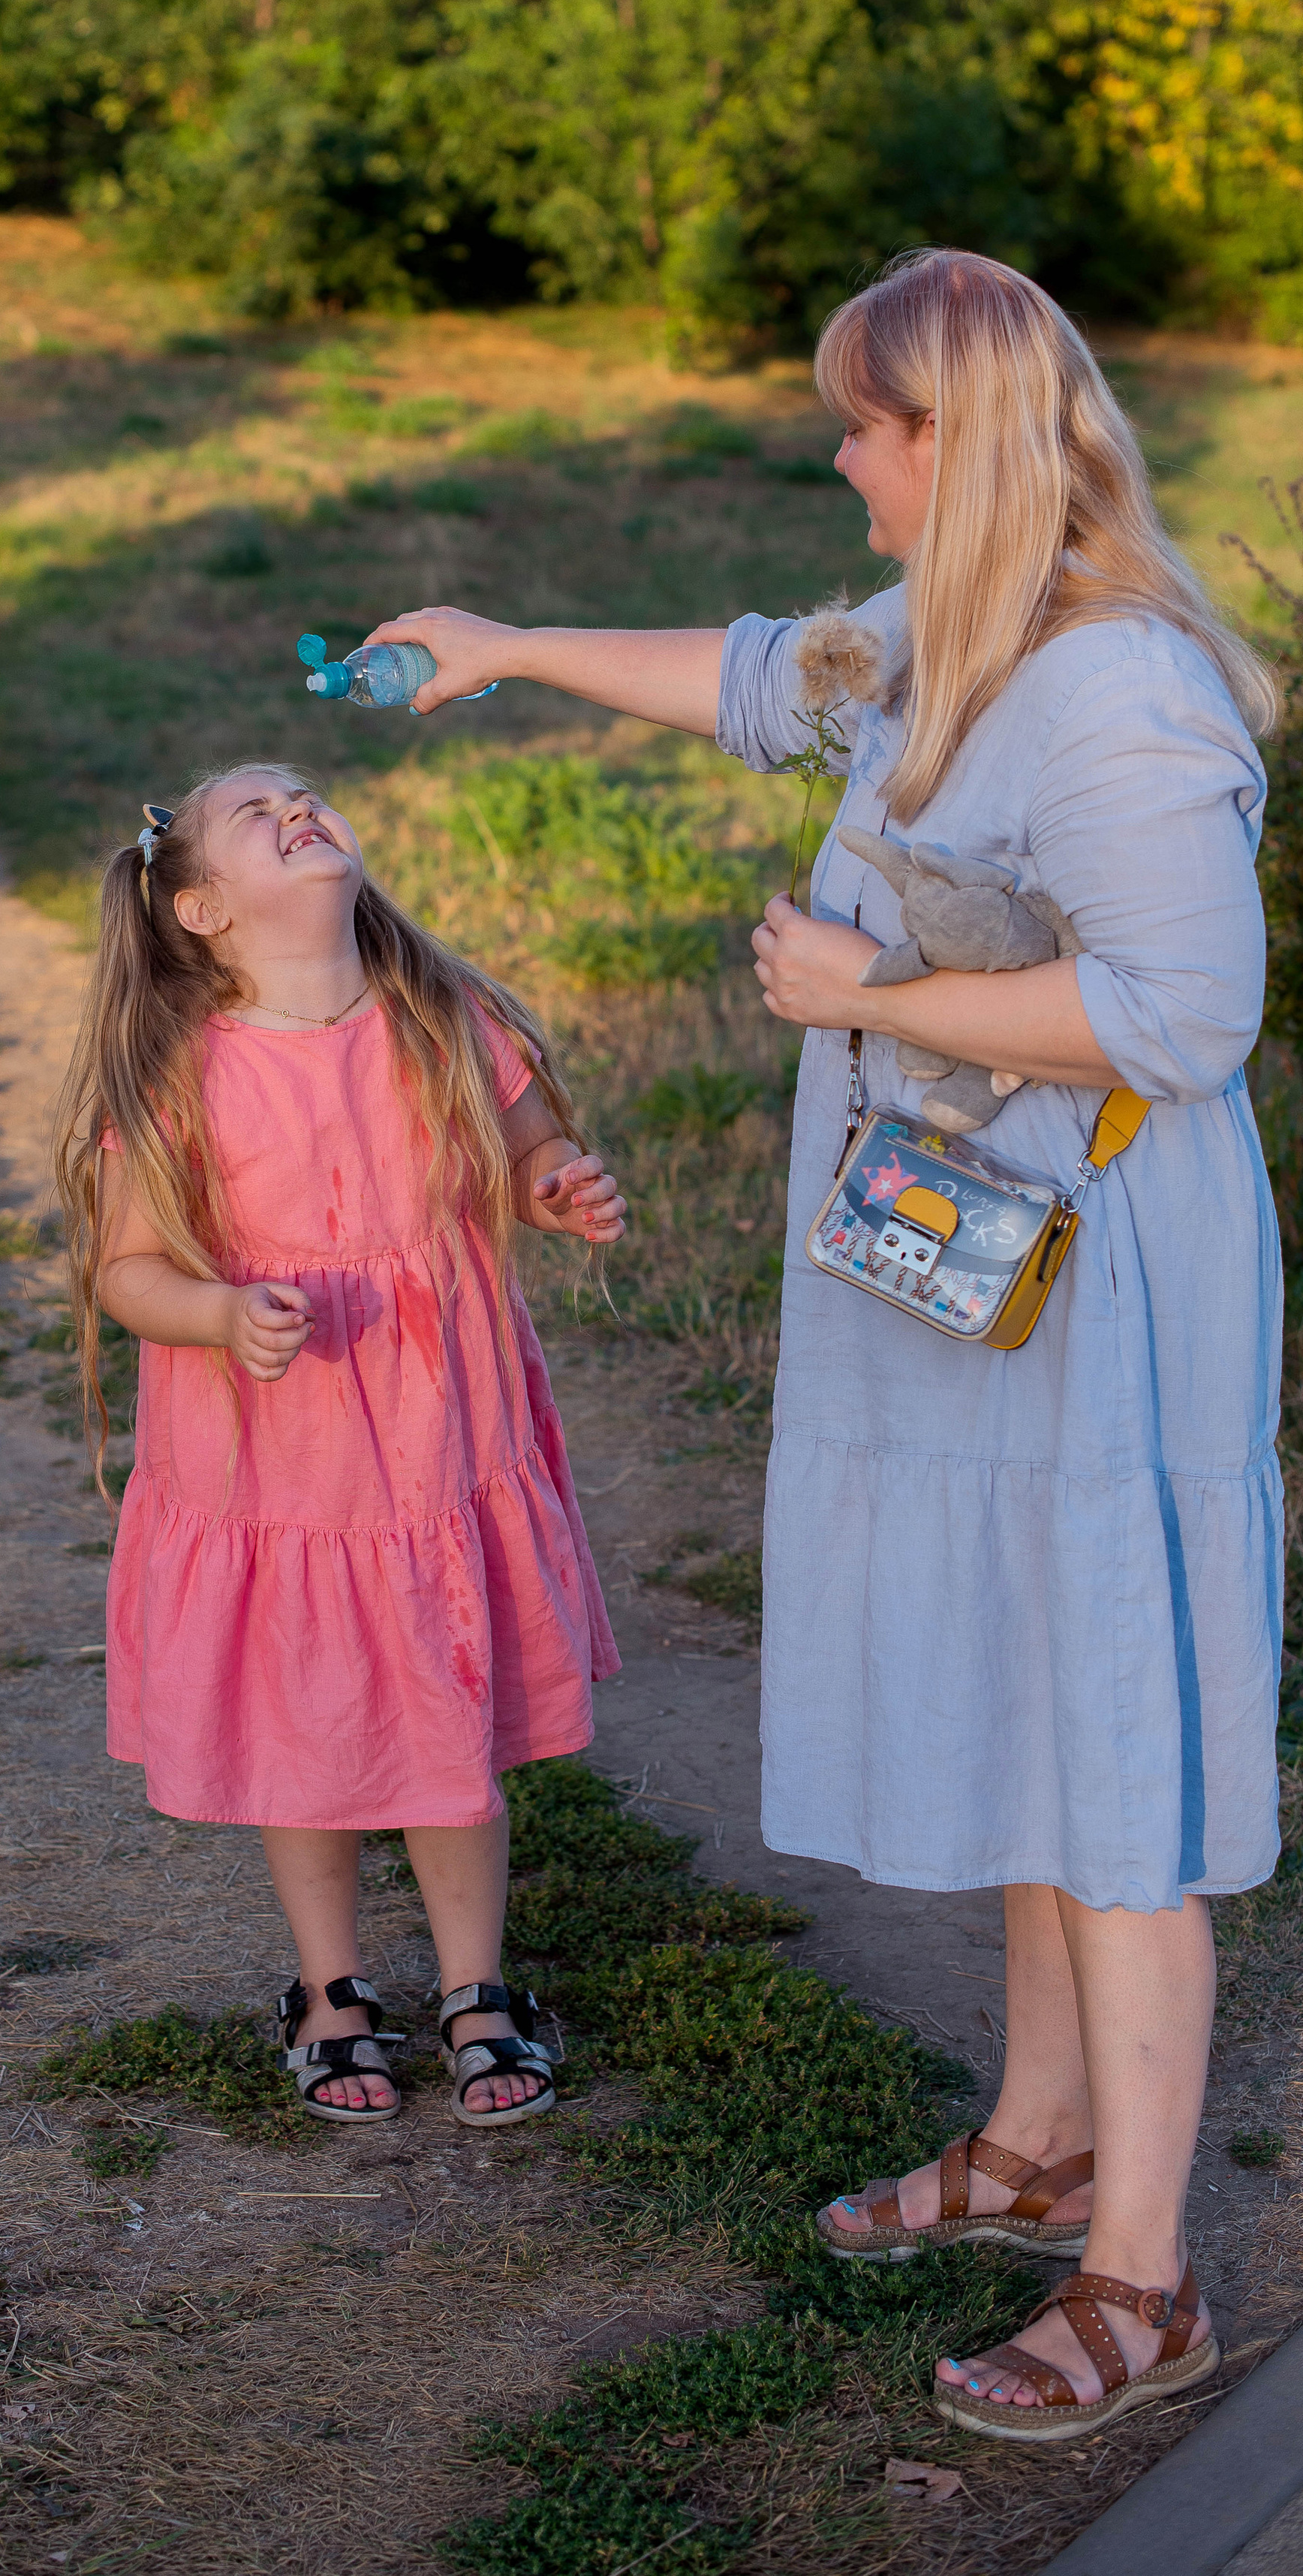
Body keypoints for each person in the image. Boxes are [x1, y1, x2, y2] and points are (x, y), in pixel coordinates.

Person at [363, 249, 1282, 2436]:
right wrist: (502, 650)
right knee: (1052, 1696)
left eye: (866, 426)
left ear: (954, 442)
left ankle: (1141, 2280)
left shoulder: (1118, 687)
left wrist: (863, 997)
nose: (840, 458)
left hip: (1110, 1284)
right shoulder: (948, 647)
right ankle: (1039, 2137)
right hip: (981, 1268)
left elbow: (1188, 1012)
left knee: (1121, 1749)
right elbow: (760, 674)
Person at [51, 763, 625, 2127]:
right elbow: (126, 1268)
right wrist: (214, 1310)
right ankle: (331, 1990)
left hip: (431, 1449)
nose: (298, 809)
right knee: (303, 1725)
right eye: (259, 814)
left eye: (306, 792)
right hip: (279, 1462)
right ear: (200, 906)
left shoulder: (442, 1016)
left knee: (444, 1706)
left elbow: (530, 1147)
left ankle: (479, 1989)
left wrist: (559, 1188)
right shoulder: (182, 1069)